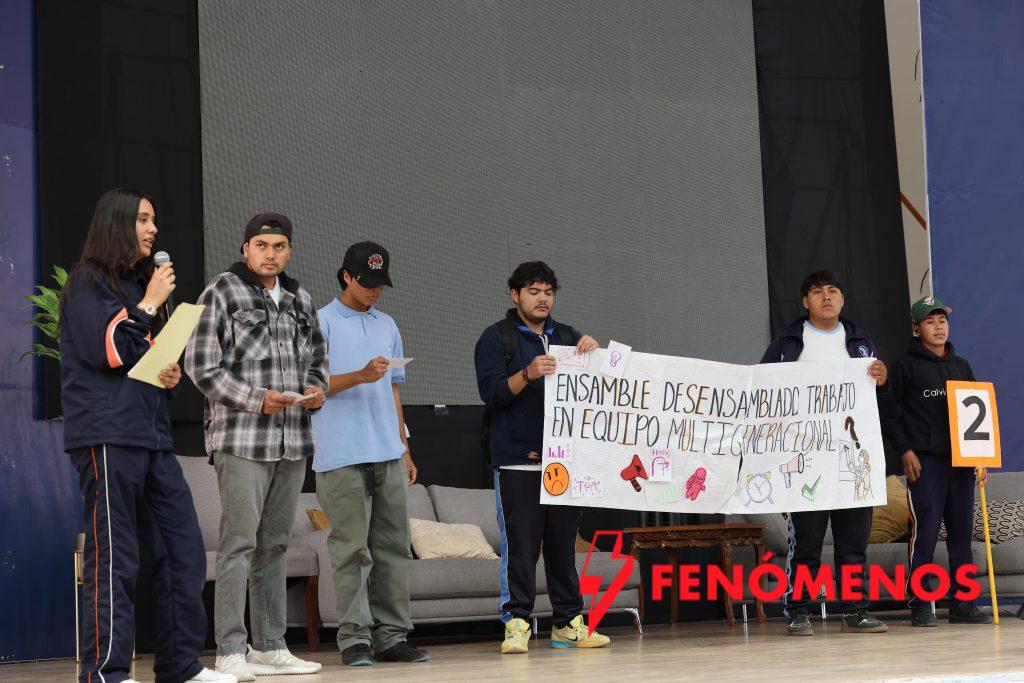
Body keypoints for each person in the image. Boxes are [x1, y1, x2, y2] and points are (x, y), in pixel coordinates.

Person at [60, 188, 233, 683]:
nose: (153, 229)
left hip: (152, 434)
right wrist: (150, 303)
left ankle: (179, 664)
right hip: (107, 435)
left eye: (154, 220)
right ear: (116, 223)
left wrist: (167, 371)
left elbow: (138, 357)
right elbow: (110, 350)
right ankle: (106, 673)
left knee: (183, 550)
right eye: (142, 219)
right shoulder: (88, 281)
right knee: (115, 556)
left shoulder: (138, 283)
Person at [185, 213, 327, 680]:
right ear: (246, 248)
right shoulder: (221, 291)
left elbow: (318, 358)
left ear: (290, 251)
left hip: (293, 439)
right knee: (239, 544)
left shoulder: (301, 297)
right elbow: (200, 366)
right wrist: (256, 399)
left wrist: (317, 390)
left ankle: (270, 646)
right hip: (242, 438)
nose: (271, 254)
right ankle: (230, 649)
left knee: (275, 545)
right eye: (262, 245)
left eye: (279, 246)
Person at [474, 261, 609, 655]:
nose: (543, 299)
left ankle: (567, 624)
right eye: (534, 291)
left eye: (548, 292)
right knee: (521, 546)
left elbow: (597, 389)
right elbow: (492, 394)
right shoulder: (496, 337)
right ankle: (516, 623)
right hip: (517, 459)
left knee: (563, 547)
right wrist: (529, 373)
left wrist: (594, 353)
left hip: (563, 461)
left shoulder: (567, 336)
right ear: (515, 294)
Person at [760, 270, 899, 636]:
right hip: (805, 460)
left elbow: (880, 402)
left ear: (843, 299)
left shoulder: (861, 344)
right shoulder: (788, 344)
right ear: (805, 301)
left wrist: (883, 383)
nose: (826, 296)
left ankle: (855, 610)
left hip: (852, 457)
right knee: (807, 542)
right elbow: (761, 392)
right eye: (817, 291)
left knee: (853, 542)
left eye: (833, 290)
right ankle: (799, 611)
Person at [311, 242, 428, 667]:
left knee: (394, 549)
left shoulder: (387, 324)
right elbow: (311, 388)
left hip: (388, 452)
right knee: (351, 550)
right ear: (346, 276)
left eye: (381, 283)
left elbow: (394, 389)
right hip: (340, 452)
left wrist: (404, 447)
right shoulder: (319, 322)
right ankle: (354, 639)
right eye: (366, 282)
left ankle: (392, 637)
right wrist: (360, 375)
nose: (375, 290)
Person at [890, 296, 992, 626]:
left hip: (961, 463)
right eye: (930, 321)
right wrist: (905, 451)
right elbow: (890, 414)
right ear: (916, 329)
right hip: (924, 462)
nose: (938, 327)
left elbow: (977, 415)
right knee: (926, 533)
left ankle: (963, 602)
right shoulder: (905, 366)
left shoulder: (962, 366)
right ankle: (920, 601)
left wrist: (981, 457)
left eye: (942, 320)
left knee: (961, 535)